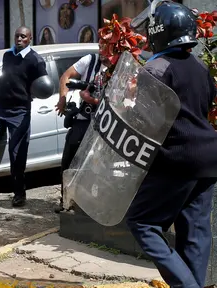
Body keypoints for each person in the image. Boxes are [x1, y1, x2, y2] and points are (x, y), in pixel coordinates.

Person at [83, 1, 217, 287]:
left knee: (142, 222)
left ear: (159, 33)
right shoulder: (200, 69)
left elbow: (141, 119)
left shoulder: (156, 68)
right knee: (194, 232)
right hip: (209, 158)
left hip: (177, 158)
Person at [0, 26, 48, 207]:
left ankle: (19, 194)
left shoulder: (35, 60)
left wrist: (35, 94)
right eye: (17, 36)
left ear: (30, 38)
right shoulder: (8, 56)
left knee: (17, 154)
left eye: (23, 36)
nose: (19, 39)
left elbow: (44, 85)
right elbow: (6, 79)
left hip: (20, 112)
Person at [54, 53, 109, 213]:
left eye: (107, 45)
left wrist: (93, 100)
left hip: (106, 124)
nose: (103, 49)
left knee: (97, 165)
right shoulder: (91, 60)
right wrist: (62, 98)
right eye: (101, 45)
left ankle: (93, 205)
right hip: (84, 118)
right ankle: (67, 200)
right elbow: (66, 77)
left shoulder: (121, 66)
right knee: (69, 160)